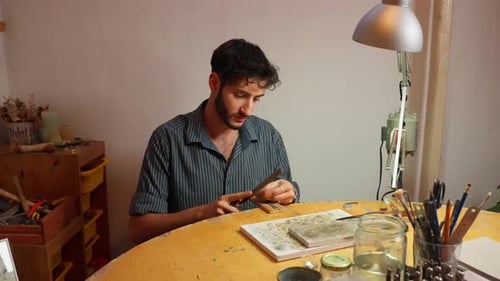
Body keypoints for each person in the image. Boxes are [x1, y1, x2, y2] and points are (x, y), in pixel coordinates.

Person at [129, 38, 300, 244]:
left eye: (257, 99)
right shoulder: (167, 139)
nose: (248, 109)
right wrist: (201, 214)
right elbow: (138, 230)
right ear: (214, 83)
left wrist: (289, 193)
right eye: (239, 95)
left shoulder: (269, 135)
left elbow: (290, 204)